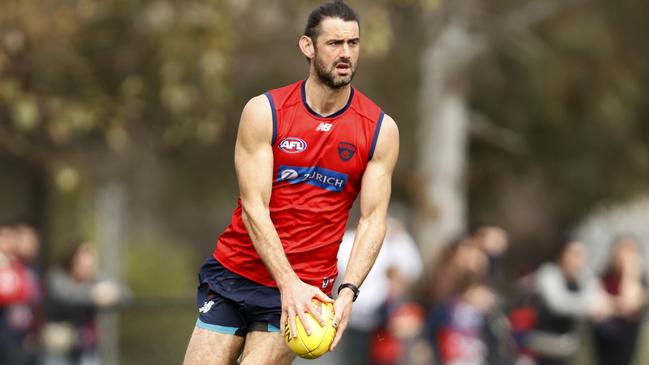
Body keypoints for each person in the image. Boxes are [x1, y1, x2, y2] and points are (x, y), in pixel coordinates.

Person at [182, 1, 400, 364]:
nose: (345, 53)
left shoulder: (379, 130)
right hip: (236, 273)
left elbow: (372, 219)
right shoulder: (265, 112)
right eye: (334, 44)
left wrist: (347, 291)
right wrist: (288, 283)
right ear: (308, 46)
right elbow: (254, 207)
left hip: (306, 290)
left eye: (353, 43)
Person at [42, 242, 126, 365]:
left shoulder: (95, 278)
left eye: (91, 260)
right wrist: (94, 294)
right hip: (59, 347)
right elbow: (67, 296)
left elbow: (125, 295)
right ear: (72, 260)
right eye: (82, 260)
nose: (87, 265)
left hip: (87, 347)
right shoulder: (57, 276)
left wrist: (113, 293)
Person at [593, 236, 647, 365]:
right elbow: (597, 309)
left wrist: (630, 273)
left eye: (631, 252)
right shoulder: (603, 278)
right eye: (622, 250)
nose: (625, 256)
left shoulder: (639, 282)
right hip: (601, 348)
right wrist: (615, 306)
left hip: (625, 353)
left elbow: (629, 305)